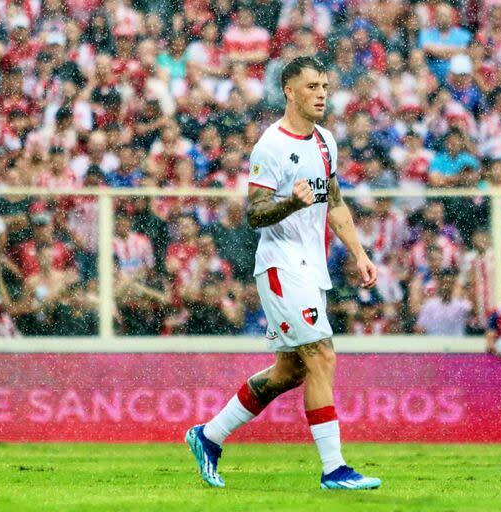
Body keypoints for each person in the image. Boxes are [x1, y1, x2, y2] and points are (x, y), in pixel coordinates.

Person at [185, 56, 381, 490]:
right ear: (289, 91)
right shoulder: (270, 145)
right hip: (280, 264)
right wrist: (290, 203)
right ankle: (334, 469)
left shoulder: (327, 141)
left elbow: (335, 203)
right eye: (312, 86)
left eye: (325, 85)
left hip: (312, 268)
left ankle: (209, 435)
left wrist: (359, 253)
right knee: (322, 355)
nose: (322, 94)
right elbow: (254, 213)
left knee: (290, 371)